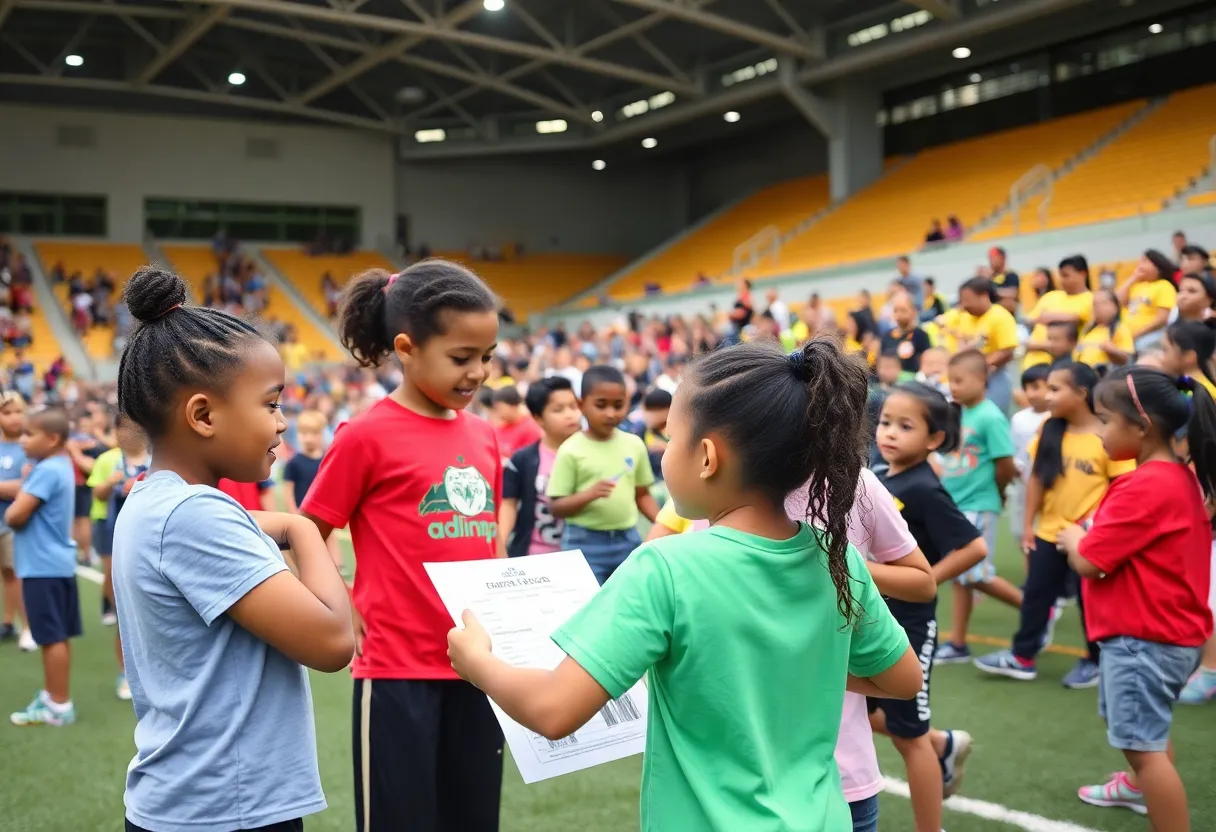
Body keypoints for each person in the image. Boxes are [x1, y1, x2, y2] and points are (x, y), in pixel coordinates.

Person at [447, 340, 923, 830]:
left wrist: (478, 661)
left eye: (670, 438)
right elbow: (902, 680)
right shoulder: (836, 555)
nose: (663, 452)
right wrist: (788, 665)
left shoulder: (665, 567)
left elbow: (553, 709)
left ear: (708, 457)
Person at [110, 267, 352, 832]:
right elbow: (334, 641)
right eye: (270, 405)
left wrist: (288, 527)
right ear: (203, 416)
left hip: (195, 799)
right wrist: (303, 528)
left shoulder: (155, 501)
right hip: (225, 807)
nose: (283, 423)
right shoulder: (196, 516)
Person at [297, 262, 507, 832]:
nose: (478, 372)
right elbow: (308, 531)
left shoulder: (484, 436)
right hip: (395, 671)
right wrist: (340, 597)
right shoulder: (364, 435)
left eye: (486, 356)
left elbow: (490, 545)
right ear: (407, 348)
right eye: (462, 358)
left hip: (477, 669)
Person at [1060, 367, 1213, 827]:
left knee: (1146, 753)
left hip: (1144, 640)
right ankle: (1134, 785)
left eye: (1104, 420)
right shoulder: (1177, 477)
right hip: (1163, 636)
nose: (1098, 432)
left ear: (1142, 426)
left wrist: (1072, 540)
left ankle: (1146, 788)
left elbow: (1090, 561)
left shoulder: (1143, 484)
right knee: (1146, 737)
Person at [975, 362, 1135, 688]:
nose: (1047, 396)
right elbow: (1036, 479)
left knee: (1090, 601)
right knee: (1036, 595)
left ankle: (1095, 660)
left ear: (1082, 394)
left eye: (1055, 389)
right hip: (1049, 531)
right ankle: (1023, 656)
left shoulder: (1107, 435)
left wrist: (1095, 527)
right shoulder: (1049, 429)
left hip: (1089, 539)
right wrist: (1029, 526)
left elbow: (1120, 489)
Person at [935, 351, 1021, 665]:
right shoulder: (957, 413)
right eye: (950, 380)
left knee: (975, 575)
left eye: (959, 380)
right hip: (958, 504)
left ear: (982, 380)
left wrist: (997, 493)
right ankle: (958, 643)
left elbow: (1005, 463)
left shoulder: (990, 416)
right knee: (962, 577)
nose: (953, 387)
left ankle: (1035, 610)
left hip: (980, 504)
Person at [547, 366, 659, 585]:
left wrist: (664, 522)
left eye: (618, 405)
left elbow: (642, 494)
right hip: (585, 543)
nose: (610, 413)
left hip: (628, 540)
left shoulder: (634, 444)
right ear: (581, 405)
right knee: (589, 606)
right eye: (601, 405)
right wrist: (589, 494)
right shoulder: (571, 450)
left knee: (629, 600)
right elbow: (556, 507)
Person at [6, 408, 81, 726]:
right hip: (56, 564)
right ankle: (54, 697)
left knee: (49, 637)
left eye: (28, 434)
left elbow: (15, 516)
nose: (22, 441)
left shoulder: (47, 470)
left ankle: (58, 706)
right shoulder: (59, 465)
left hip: (42, 566)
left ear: (52, 439)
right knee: (56, 636)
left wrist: (19, 494)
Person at [87, 412, 149, 701]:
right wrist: (110, 482)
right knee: (123, 604)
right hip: (111, 530)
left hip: (146, 535)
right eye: (123, 428)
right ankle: (126, 673)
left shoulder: (155, 459)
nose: (130, 434)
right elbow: (97, 494)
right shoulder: (108, 460)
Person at [501, 377, 582, 558]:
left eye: (574, 406)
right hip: (534, 557)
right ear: (538, 417)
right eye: (558, 409)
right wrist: (500, 548)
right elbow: (508, 504)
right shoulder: (523, 459)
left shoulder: (594, 453)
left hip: (583, 556)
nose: (570, 414)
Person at [282, 409, 343, 573]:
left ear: (322, 433)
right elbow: (288, 491)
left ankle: (336, 570)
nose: (308, 438)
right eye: (304, 433)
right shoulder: (294, 462)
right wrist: (294, 512)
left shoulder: (326, 460)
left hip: (323, 514)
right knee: (304, 551)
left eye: (313, 433)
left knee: (331, 549)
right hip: (303, 514)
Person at [954, 277, 1019, 412]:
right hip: (970, 376)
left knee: (993, 414)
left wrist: (981, 366)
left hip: (994, 375)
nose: (964, 305)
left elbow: (1007, 351)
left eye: (967, 300)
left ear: (983, 296)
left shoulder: (1000, 316)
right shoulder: (965, 317)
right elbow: (962, 341)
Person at [1005, 366, 1052, 542]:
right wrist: (1016, 467)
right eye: (1026, 389)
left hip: (1049, 483)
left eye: (1036, 387)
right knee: (1022, 529)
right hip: (1024, 481)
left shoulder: (1054, 418)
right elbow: (1015, 449)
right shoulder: (1019, 418)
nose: (1031, 394)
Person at [0, 391, 31, 651]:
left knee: (17, 573)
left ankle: (28, 627)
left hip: (15, 523)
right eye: (7, 412)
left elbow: (28, 486)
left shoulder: (28, 446)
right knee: (7, 574)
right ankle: (7, 622)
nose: (13, 418)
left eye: (18, 412)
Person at [1023, 255, 1093, 369]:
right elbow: (1030, 320)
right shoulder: (1050, 296)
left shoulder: (1090, 299)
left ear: (1082, 274)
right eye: (1060, 275)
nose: (1061, 280)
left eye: (1066, 275)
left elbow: (1073, 319)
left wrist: (1048, 318)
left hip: (1061, 366)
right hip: (1031, 363)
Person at [1118, 249, 1178, 353]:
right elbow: (1116, 302)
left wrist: (1136, 334)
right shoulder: (1136, 286)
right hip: (1126, 337)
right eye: (1140, 262)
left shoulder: (1164, 286)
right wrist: (1133, 278)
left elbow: (1161, 319)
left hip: (1149, 336)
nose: (1140, 265)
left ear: (1157, 266)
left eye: (1145, 261)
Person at [1076, 289, 1133, 370]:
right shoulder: (1087, 330)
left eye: (1104, 303)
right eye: (1095, 304)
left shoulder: (1120, 329)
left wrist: (1113, 350)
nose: (1098, 307)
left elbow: (1128, 359)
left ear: (1116, 307)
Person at [1160, 319, 1216, 397]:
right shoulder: (1186, 382)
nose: (1161, 357)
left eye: (1165, 350)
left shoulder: (1194, 390)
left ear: (1189, 357)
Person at [881, 293, 931, 376]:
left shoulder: (921, 336)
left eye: (903, 310)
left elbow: (927, 364)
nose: (899, 315)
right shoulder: (886, 337)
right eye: (896, 311)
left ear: (913, 311)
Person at [988, 246, 1021, 316]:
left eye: (994, 258)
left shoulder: (1011, 275)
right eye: (990, 258)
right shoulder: (988, 277)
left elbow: (1012, 293)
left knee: (1008, 302)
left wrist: (992, 291)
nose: (991, 261)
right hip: (991, 312)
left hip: (1006, 313)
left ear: (1003, 258)